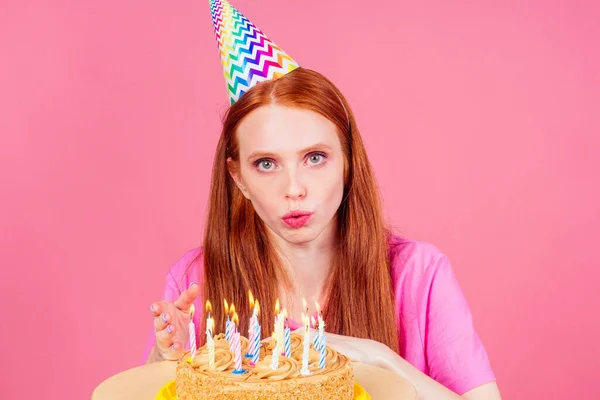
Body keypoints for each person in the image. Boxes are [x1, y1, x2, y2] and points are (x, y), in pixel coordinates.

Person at [145, 1, 502, 399]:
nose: (294, 188)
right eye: (266, 163)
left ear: (348, 162)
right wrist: (164, 361)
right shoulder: (196, 282)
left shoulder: (418, 275)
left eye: (315, 158)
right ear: (238, 178)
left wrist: (382, 358)